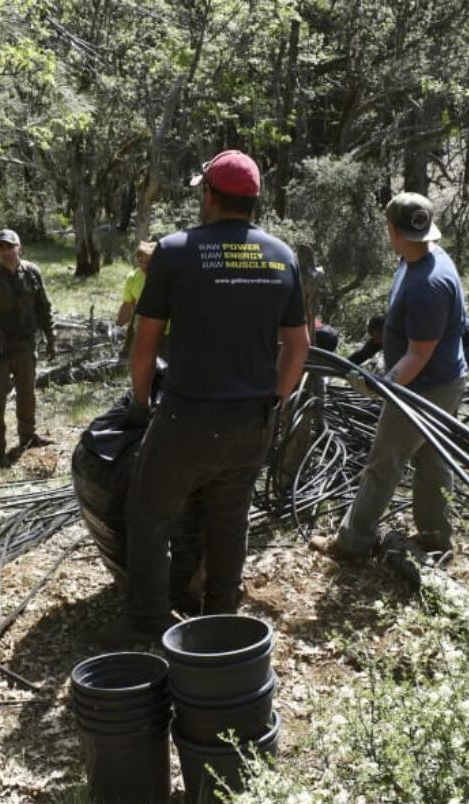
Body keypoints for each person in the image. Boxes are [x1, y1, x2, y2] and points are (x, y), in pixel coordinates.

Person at [109, 149, 310, 643]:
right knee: (229, 520)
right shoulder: (282, 256)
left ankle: (148, 629)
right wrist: (276, 400)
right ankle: (221, 623)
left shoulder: (175, 252)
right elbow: (299, 344)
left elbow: (145, 342)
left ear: (209, 196)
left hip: (187, 416)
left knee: (150, 518)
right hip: (250, 420)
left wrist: (140, 403)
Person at [320, 192, 469, 560]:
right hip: (440, 381)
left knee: (383, 464)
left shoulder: (429, 284)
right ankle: (435, 536)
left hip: (426, 388)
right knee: (433, 462)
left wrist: (383, 385)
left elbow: (419, 354)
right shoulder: (415, 260)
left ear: (392, 229)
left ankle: (351, 543)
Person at [0, 228, 56, 465]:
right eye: (0, 247)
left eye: (10, 246)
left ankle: (28, 437)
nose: (5, 251)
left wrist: (51, 337)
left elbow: (44, 307)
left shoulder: (32, 273)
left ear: (20, 248)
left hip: (26, 347)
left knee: (27, 395)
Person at [116, 241, 165, 358]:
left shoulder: (166, 277)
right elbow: (128, 305)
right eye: (141, 262)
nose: (144, 266)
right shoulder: (133, 278)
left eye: (149, 262)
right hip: (141, 322)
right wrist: (117, 327)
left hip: (165, 328)